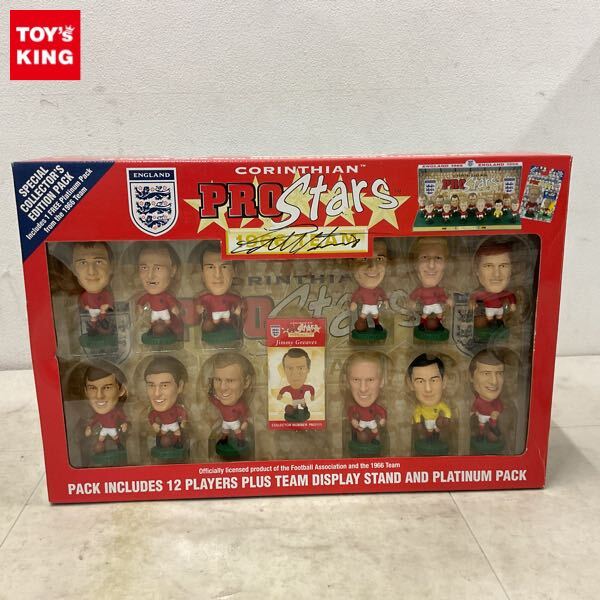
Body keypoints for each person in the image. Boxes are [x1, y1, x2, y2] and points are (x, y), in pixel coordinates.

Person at [137, 242, 182, 339]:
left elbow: (172, 302)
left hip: (165, 315)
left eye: (158, 268)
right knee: (153, 321)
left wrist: (174, 308)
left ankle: (167, 329)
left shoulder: (167, 296)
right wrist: (139, 307)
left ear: (173, 271)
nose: (150, 276)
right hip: (154, 315)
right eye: (144, 268)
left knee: (166, 321)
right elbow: (141, 301)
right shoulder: (146, 296)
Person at [194, 241, 242, 333]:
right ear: (202, 273)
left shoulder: (232, 296)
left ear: (234, 271)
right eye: (210, 267)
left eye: (224, 267)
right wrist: (198, 308)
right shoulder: (205, 297)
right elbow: (199, 303)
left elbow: (236, 301)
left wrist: (237, 308)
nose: (217, 275)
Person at [209, 352, 253, 448]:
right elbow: (213, 401)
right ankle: (224, 441)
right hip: (225, 422)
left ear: (246, 382)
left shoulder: (240, 405)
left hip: (235, 423)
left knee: (237, 431)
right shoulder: (220, 403)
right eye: (218, 380)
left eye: (230, 380)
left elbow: (245, 414)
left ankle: (240, 441)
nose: (222, 387)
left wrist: (245, 422)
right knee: (224, 432)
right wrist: (209, 393)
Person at [408, 238, 453, 331]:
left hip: (436, 306)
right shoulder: (420, 290)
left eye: (438, 258)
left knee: (439, 313)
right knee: (425, 315)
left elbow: (442, 297)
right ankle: (421, 324)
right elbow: (413, 296)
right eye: (424, 257)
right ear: (415, 265)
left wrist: (447, 300)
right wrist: (411, 302)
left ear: (446, 265)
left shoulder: (440, 289)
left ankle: (440, 324)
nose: (431, 265)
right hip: (427, 306)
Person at [83, 362, 128, 454]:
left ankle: (119, 446)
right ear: (86, 391)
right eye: (92, 388)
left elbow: (122, 417)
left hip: (112, 429)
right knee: (101, 438)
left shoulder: (116, 412)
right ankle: (100, 449)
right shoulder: (96, 415)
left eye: (107, 388)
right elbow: (94, 420)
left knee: (115, 438)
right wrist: (89, 427)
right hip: (104, 429)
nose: (99, 396)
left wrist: (124, 423)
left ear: (121, 390)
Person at [469, 240, 516, 327]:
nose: (496, 274)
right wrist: (472, 301)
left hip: (500, 312)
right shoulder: (481, 293)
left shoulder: (506, 293)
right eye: (488, 266)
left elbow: (511, 296)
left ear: (511, 270)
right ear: (476, 270)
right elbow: (474, 296)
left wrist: (512, 304)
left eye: (503, 266)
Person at [145, 356, 188, 449]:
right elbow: (151, 416)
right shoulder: (154, 411)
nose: (156, 394)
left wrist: (184, 421)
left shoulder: (177, 408)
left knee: (177, 433)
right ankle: (160, 444)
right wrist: (153, 424)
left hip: (174, 425)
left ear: (180, 386)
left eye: (164, 385)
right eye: (151, 385)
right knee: (162, 434)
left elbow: (182, 412)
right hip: (164, 426)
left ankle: (178, 443)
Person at [72, 242, 114, 336]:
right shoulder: (83, 296)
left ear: (111, 267)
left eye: (99, 262)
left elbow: (109, 302)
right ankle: (94, 328)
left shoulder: (106, 294)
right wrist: (86, 307)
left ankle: (103, 325)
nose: (91, 272)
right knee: (93, 319)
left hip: (103, 315)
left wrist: (107, 306)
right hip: (91, 313)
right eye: (83, 263)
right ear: (74, 270)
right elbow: (83, 303)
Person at [406, 354, 451, 441]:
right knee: (429, 431)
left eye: (434, 380)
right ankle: (430, 439)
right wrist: (418, 423)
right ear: (410, 384)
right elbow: (417, 414)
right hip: (427, 423)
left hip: (436, 423)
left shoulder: (440, 405)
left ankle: (435, 439)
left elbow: (447, 410)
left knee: (436, 431)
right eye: (420, 381)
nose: (428, 389)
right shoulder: (419, 408)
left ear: (444, 381)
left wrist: (447, 418)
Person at [345, 352, 387, 444]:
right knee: (361, 432)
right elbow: (350, 412)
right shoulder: (354, 407)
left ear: (381, 382)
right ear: (347, 382)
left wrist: (383, 419)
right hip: (362, 425)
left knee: (374, 431)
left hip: (372, 424)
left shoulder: (377, 407)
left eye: (370, 380)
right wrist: (352, 419)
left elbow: (381, 411)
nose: (363, 389)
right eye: (356, 380)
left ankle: (373, 439)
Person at [349, 239, 389, 332]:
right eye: (364, 258)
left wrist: (385, 300)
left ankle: (377, 325)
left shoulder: (379, 289)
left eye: (379, 259)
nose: (373, 267)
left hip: (374, 306)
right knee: (363, 316)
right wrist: (353, 302)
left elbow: (383, 294)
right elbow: (356, 296)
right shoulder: (361, 290)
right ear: (351, 264)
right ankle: (361, 325)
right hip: (366, 306)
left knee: (375, 316)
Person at [469, 350, 505, 443]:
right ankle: (481, 435)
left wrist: (496, 413)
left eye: (499, 373)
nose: (494, 382)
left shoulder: (498, 402)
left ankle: (492, 431)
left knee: (491, 428)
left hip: (491, 419)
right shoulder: (475, 401)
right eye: (486, 373)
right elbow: (474, 407)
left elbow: (500, 408)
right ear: (471, 377)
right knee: (481, 426)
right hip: (481, 418)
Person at [277, 348, 314, 418]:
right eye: (290, 368)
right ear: (284, 370)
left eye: (301, 368)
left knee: (304, 406)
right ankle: (296, 414)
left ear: (308, 369)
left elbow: (311, 388)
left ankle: (306, 411)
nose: (295, 374)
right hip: (294, 401)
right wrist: (280, 394)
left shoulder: (304, 387)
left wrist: (312, 395)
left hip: (302, 400)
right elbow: (283, 390)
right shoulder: (289, 388)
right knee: (295, 408)